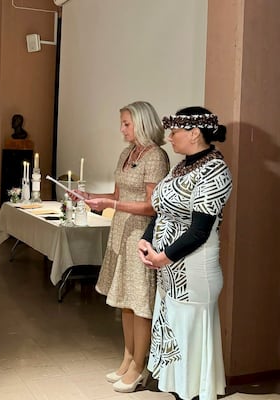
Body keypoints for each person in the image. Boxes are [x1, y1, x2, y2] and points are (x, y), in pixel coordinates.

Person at [73, 101, 170, 392]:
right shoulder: (127, 154)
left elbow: (153, 206)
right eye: (122, 123)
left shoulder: (156, 157)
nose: (122, 129)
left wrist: (111, 204)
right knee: (125, 302)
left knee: (139, 303)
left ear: (142, 123)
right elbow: (117, 193)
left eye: (126, 123)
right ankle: (128, 358)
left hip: (140, 235)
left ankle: (140, 367)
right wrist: (90, 195)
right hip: (121, 232)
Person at [138, 107, 232, 400]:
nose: (169, 137)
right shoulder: (183, 166)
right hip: (169, 270)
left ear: (194, 133)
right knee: (177, 337)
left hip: (193, 271)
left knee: (189, 342)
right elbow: (163, 210)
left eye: (175, 131)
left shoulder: (215, 170)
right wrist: (146, 241)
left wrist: (163, 257)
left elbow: (199, 230)